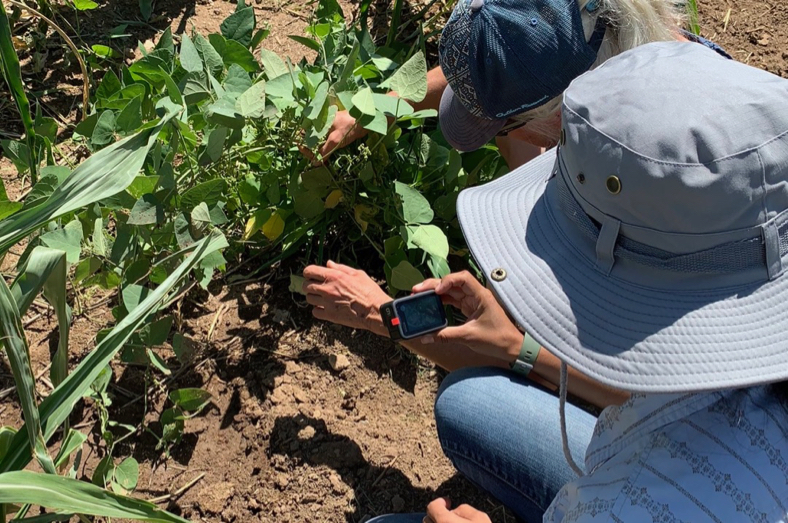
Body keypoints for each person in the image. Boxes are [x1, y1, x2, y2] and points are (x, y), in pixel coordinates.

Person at [313, 41, 788, 522]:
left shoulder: (628, 506)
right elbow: (663, 398)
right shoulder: (733, 149)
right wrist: (516, 349)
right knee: (469, 404)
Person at [304, 0, 728, 170]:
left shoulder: (663, 166)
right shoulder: (604, 28)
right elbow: (496, 73)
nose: (499, 132)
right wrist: (370, 111)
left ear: (568, 107)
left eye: (503, 124)